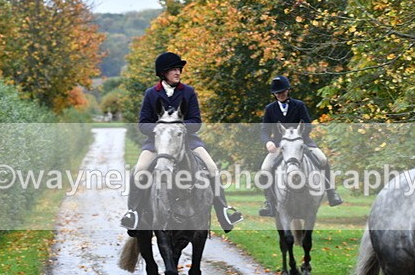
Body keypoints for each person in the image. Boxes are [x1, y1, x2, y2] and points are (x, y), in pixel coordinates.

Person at [120, 51, 243, 234]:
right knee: (139, 170)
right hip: (157, 143)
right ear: (163, 73)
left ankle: (223, 211)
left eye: (179, 69)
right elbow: (143, 123)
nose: (178, 72)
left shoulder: (188, 92)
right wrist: (159, 130)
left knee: (212, 168)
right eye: (173, 69)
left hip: (188, 142)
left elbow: (196, 120)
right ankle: (134, 213)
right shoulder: (151, 94)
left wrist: (180, 129)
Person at [258, 75, 343, 217]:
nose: (280, 95)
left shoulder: (299, 105)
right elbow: (264, 130)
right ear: (274, 94)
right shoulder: (270, 108)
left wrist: (298, 136)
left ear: (288, 90)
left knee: (322, 159)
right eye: (277, 93)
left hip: (301, 141)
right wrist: (268, 142)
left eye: (282, 92)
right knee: (265, 168)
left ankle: (331, 192)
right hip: (279, 145)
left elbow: (308, 125)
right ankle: (269, 202)